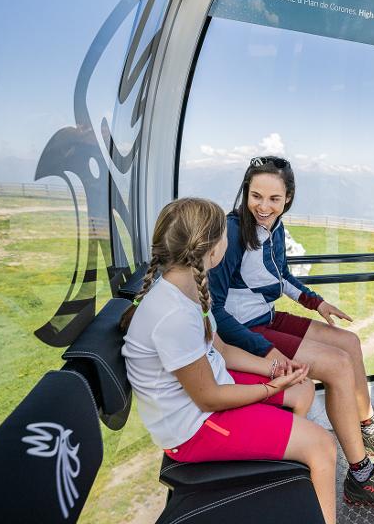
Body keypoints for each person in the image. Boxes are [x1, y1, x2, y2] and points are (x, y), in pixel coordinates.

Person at [208, 156, 374, 511]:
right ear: (245, 193)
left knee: (349, 343)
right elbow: (215, 309)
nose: (263, 206)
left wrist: (316, 303)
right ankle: (360, 475)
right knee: (337, 366)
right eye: (256, 196)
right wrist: (264, 348)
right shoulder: (232, 232)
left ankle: (367, 429)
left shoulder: (274, 229)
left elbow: (282, 276)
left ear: (287, 198)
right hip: (243, 333)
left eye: (274, 199)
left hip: (267, 317)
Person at [120, 198, 337, 524]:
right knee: (323, 446)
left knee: (303, 390)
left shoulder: (188, 288)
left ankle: (279, 466)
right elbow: (208, 397)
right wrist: (269, 390)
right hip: (192, 429)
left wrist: (278, 369)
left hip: (210, 396)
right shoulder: (173, 314)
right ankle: (297, 450)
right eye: (224, 234)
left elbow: (220, 350)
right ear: (211, 249)